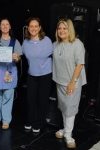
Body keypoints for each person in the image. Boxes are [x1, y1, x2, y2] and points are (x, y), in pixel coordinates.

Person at [52, 18, 86, 149]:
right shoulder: (55, 44)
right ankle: (65, 129)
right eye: (59, 28)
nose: (61, 31)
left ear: (70, 30)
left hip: (72, 82)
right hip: (60, 81)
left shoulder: (77, 44)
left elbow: (80, 65)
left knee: (70, 108)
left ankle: (68, 135)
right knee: (63, 106)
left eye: (65, 28)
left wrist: (72, 82)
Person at [22, 17, 53, 133]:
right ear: (28, 28)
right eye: (31, 26)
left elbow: (53, 56)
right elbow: (21, 55)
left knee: (42, 100)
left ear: (40, 28)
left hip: (45, 75)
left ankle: (39, 123)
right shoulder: (25, 42)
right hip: (32, 75)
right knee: (31, 100)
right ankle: (30, 121)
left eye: (36, 26)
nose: (33, 28)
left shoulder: (47, 40)